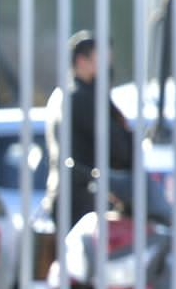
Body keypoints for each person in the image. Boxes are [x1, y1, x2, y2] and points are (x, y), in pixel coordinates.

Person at [44, 30, 137, 231]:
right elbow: (118, 147)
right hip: (86, 204)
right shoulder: (82, 98)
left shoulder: (67, 95)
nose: (107, 67)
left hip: (75, 201)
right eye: (101, 59)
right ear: (81, 61)